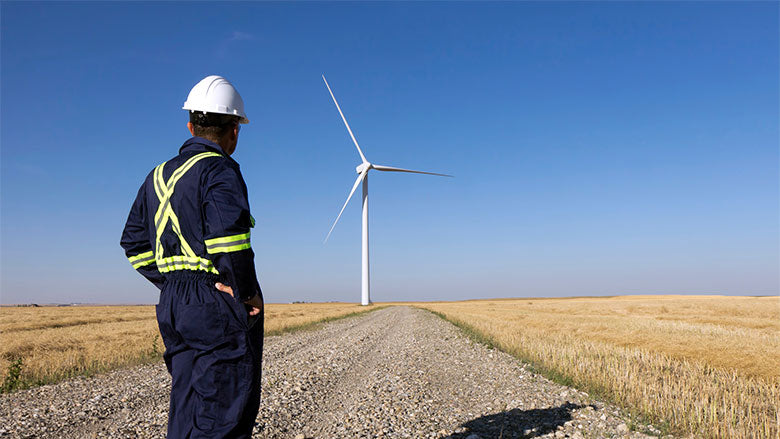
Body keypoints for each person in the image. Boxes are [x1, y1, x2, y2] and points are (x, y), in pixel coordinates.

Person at [120, 75, 264, 438]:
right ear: (234, 129)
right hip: (212, 303)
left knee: (187, 408)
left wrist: (170, 279)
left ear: (190, 125)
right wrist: (244, 292)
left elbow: (133, 243)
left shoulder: (155, 176)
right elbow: (229, 243)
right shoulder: (219, 170)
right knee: (223, 413)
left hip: (173, 304)